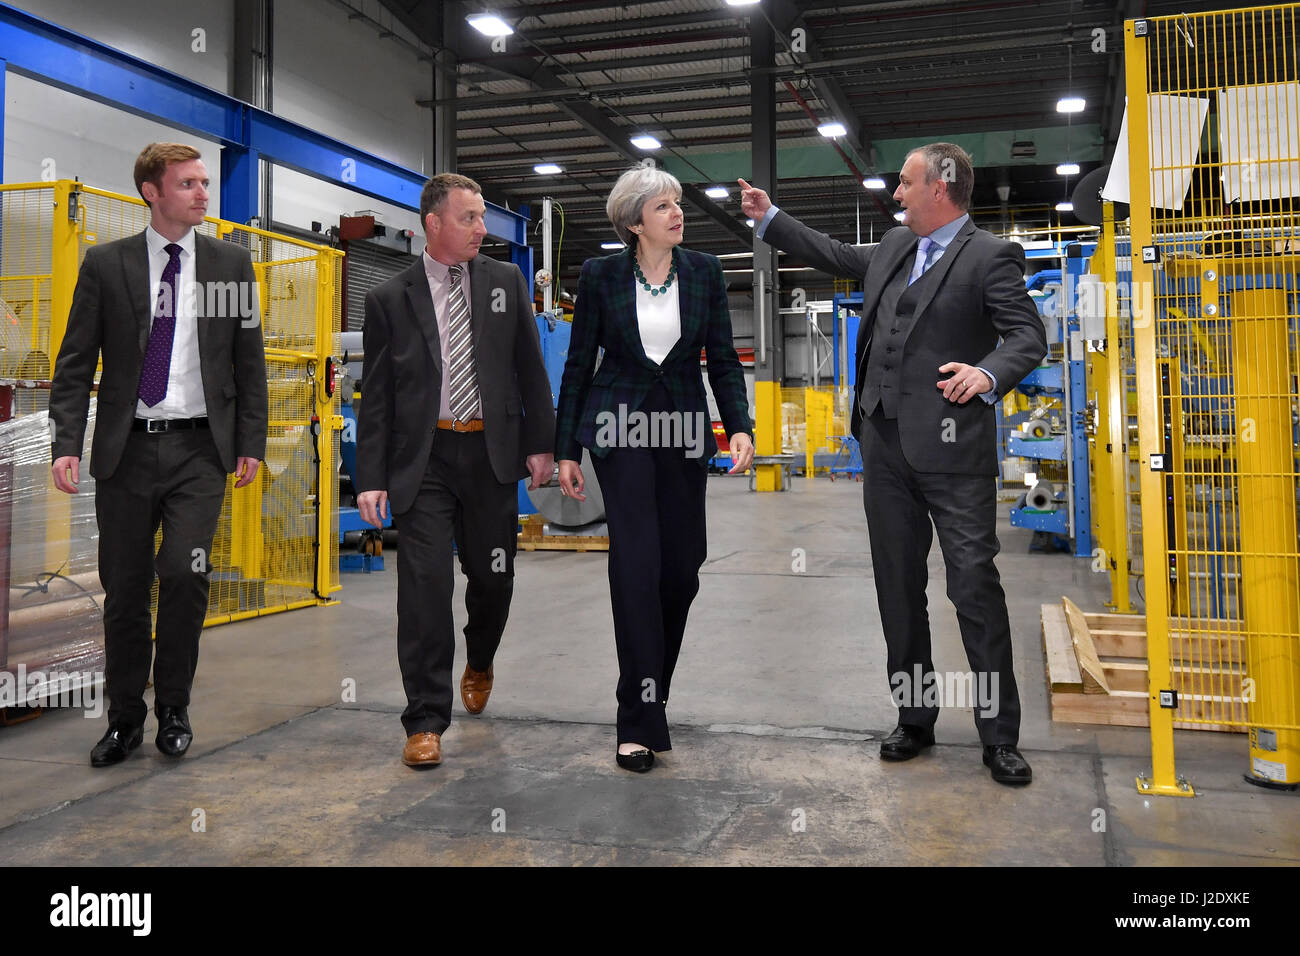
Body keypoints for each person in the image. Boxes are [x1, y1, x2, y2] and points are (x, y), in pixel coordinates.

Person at [739, 142, 1047, 785]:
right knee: (897, 588)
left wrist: (987, 373)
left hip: (954, 451)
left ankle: (999, 735)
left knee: (973, 589)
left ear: (942, 187)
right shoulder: (893, 247)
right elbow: (832, 253)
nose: (897, 195)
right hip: (881, 448)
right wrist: (771, 218)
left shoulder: (991, 257)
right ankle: (915, 717)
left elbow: (1027, 336)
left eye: (905, 184)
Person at [49, 142, 268, 767]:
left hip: (201, 451)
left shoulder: (231, 265)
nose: (204, 193)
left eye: (205, 182)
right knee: (124, 589)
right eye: (190, 183)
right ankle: (124, 719)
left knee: (183, 572)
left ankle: (174, 706)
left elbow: (247, 362)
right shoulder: (106, 265)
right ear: (153, 191)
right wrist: (67, 442)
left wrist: (249, 441)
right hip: (126, 453)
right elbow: (73, 364)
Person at [555, 166, 754, 772]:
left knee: (681, 570)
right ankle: (638, 721)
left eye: (678, 204)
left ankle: (649, 691)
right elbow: (578, 364)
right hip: (620, 429)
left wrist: (739, 424)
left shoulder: (704, 272)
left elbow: (721, 357)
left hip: (684, 431)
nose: (677, 213)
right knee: (635, 568)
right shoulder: (600, 275)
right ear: (635, 221)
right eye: (663, 206)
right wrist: (566, 447)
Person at [356, 173, 555, 769]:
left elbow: (529, 367)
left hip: (491, 458)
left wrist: (540, 445)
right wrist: (370, 476)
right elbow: (378, 396)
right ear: (433, 224)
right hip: (426, 461)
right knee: (423, 586)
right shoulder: (391, 298)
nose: (481, 229)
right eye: (469, 218)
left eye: (481, 217)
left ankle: (480, 658)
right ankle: (424, 719)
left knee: (492, 580)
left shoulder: (505, 282)